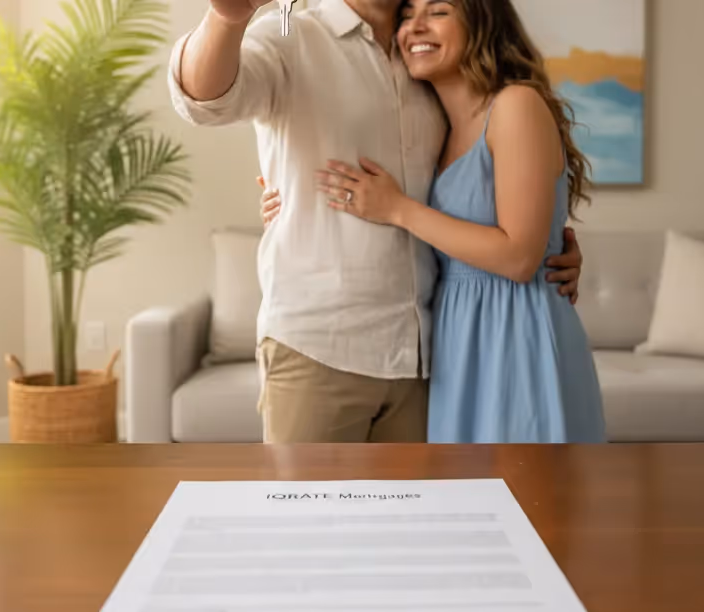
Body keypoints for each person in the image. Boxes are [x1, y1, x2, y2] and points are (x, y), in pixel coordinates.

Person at [168, 0, 585, 443]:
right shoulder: (291, 33)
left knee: (442, 511)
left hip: (425, 357)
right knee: (309, 512)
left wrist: (547, 248)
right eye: (414, 16)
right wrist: (226, 19)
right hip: (319, 348)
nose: (418, 24)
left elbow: (489, 200)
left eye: (436, 12)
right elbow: (205, 99)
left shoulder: (427, 66)